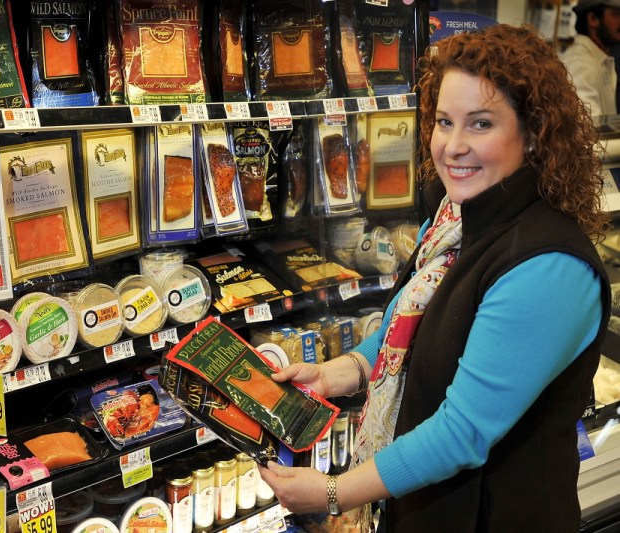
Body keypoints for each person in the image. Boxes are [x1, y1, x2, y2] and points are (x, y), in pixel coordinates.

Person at [259, 24, 611, 533]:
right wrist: (337, 373)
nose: (453, 146)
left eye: (481, 124)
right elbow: (408, 325)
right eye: (444, 121)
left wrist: (334, 491)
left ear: (533, 133)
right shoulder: (454, 217)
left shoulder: (548, 266)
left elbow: (461, 433)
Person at [561, 0, 620, 117]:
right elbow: (587, 127)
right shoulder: (579, 63)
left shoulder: (600, 60)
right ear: (593, 19)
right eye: (616, 14)